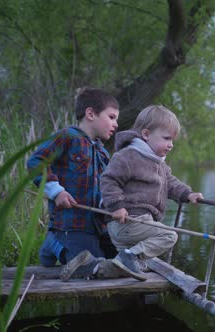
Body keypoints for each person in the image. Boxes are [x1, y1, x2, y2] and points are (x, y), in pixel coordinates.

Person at [27, 87, 141, 281]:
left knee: (117, 260)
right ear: (90, 114)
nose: (116, 123)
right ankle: (54, 241)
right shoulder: (68, 137)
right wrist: (57, 192)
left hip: (97, 226)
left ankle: (66, 246)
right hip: (71, 224)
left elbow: (108, 187)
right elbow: (36, 162)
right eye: (111, 117)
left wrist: (117, 207)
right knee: (88, 266)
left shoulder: (103, 153)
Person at [100, 105, 204, 280]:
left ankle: (94, 267)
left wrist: (187, 194)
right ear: (146, 134)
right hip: (127, 221)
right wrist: (116, 206)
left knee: (134, 264)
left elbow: (170, 183)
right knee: (169, 235)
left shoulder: (158, 162)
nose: (171, 145)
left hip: (136, 227)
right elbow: (108, 180)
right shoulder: (128, 156)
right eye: (166, 138)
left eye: (173, 141)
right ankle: (130, 257)